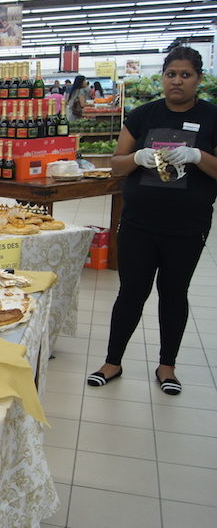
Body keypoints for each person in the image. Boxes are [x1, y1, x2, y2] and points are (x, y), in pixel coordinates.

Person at [87, 46, 217, 395]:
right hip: (139, 224)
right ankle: (112, 361)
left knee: (174, 294)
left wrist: (197, 154)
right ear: (163, 77)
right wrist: (138, 157)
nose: (177, 81)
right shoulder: (143, 115)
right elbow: (116, 163)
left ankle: (167, 366)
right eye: (171, 74)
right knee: (131, 292)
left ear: (198, 79)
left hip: (188, 227)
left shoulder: (212, 117)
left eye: (185, 74)